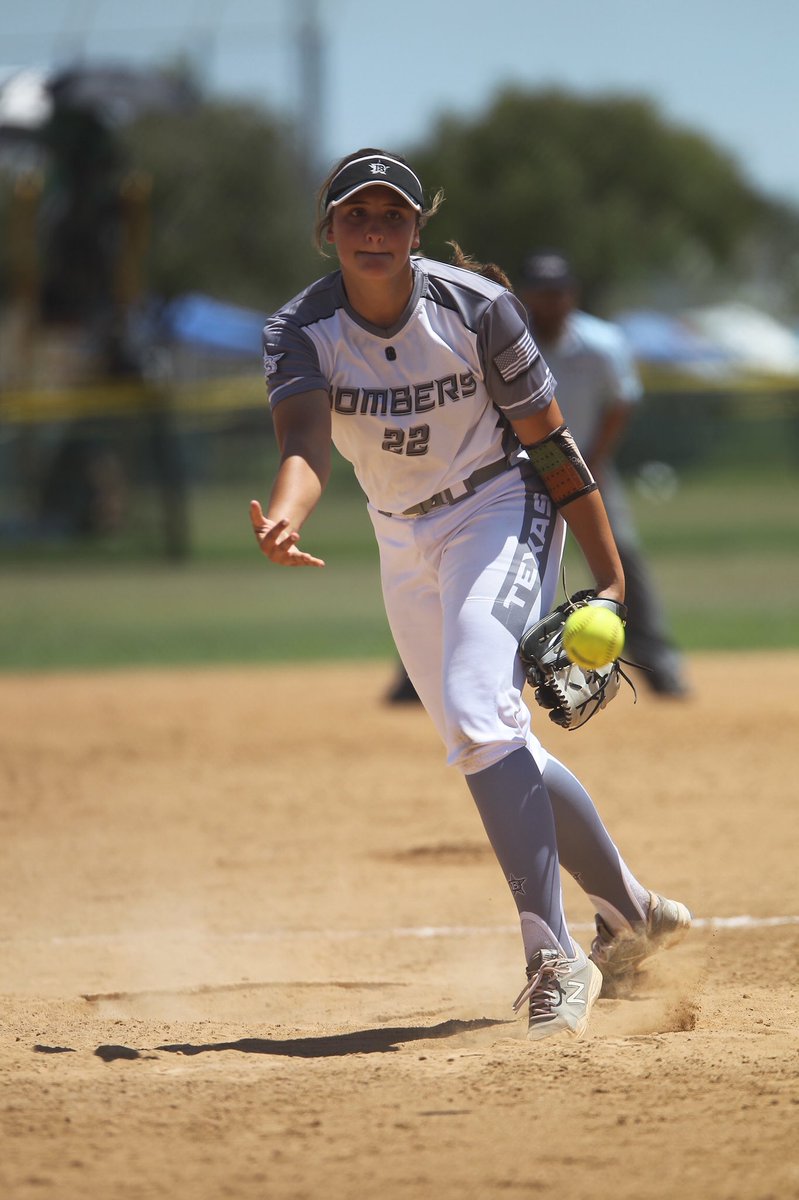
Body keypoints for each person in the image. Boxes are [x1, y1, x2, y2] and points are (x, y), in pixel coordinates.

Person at [250, 148, 690, 1040]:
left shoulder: (479, 310)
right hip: (398, 534)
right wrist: (286, 514)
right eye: (355, 214)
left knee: (477, 712)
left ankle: (552, 957)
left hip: (498, 504)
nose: (374, 229)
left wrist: (608, 576)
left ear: (416, 230)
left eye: (392, 215)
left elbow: (553, 446)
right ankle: (629, 912)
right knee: (484, 734)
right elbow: (305, 443)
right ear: (328, 230)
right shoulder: (300, 328)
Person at [517, 251, 690, 697]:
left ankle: (661, 665)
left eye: (557, 292)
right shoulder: (509, 340)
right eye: (541, 292)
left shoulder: (601, 343)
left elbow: (622, 400)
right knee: (478, 563)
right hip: (516, 471)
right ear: (526, 296)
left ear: (571, 295)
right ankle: (416, 680)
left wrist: (591, 459)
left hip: (586, 467)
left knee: (622, 559)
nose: (549, 302)